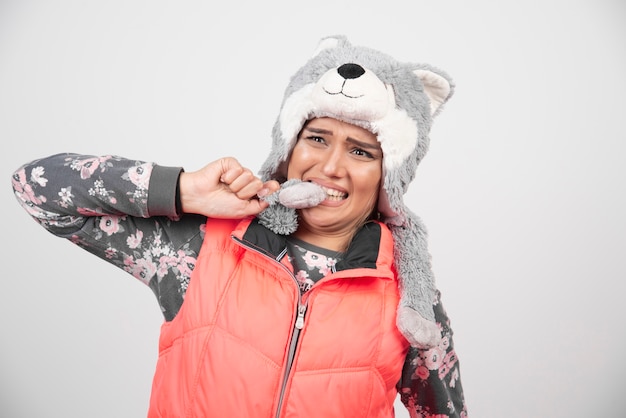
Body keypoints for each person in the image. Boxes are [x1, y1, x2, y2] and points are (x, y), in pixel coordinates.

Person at [11, 35, 468, 417]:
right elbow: (39, 187)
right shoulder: (196, 246)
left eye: (361, 151)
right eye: (316, 138)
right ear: (288, 149)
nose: (331, 167)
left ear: (389, 176)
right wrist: (184, 190)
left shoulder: (410, 295)